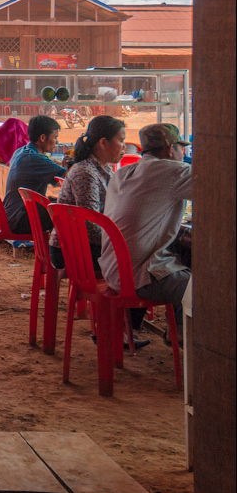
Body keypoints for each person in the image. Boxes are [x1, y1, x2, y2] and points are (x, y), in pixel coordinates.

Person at [48, 116, 149, 348]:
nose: (124, 147)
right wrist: (121, 240)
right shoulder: (86, 173)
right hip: (74, 251)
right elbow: (89, 225)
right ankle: (116, 328)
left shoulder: (100, 169)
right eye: (121, 141)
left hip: (84, 246)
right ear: (103, 143)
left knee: (138, 256)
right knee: (139, 264)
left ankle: (119, 326)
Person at [99, 123, 191, 345]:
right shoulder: (173, 171)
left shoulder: (121, 173)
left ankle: (177, 331)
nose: (183, 154)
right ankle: (190, 345)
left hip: (112, 270)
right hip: (139, 278)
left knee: (178, 261)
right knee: (205, 287)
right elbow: (219, 188)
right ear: (170, 150)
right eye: (181, 148)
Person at [3, 115, 66, 236]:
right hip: (20, 219)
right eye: (55, 137)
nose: (57, 142)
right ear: (43, 138)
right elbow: (70, 177)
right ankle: (60, 251)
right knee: (67, 213)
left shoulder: (21, 152)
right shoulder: (35, 159)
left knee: (56, 202)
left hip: (11, 213)